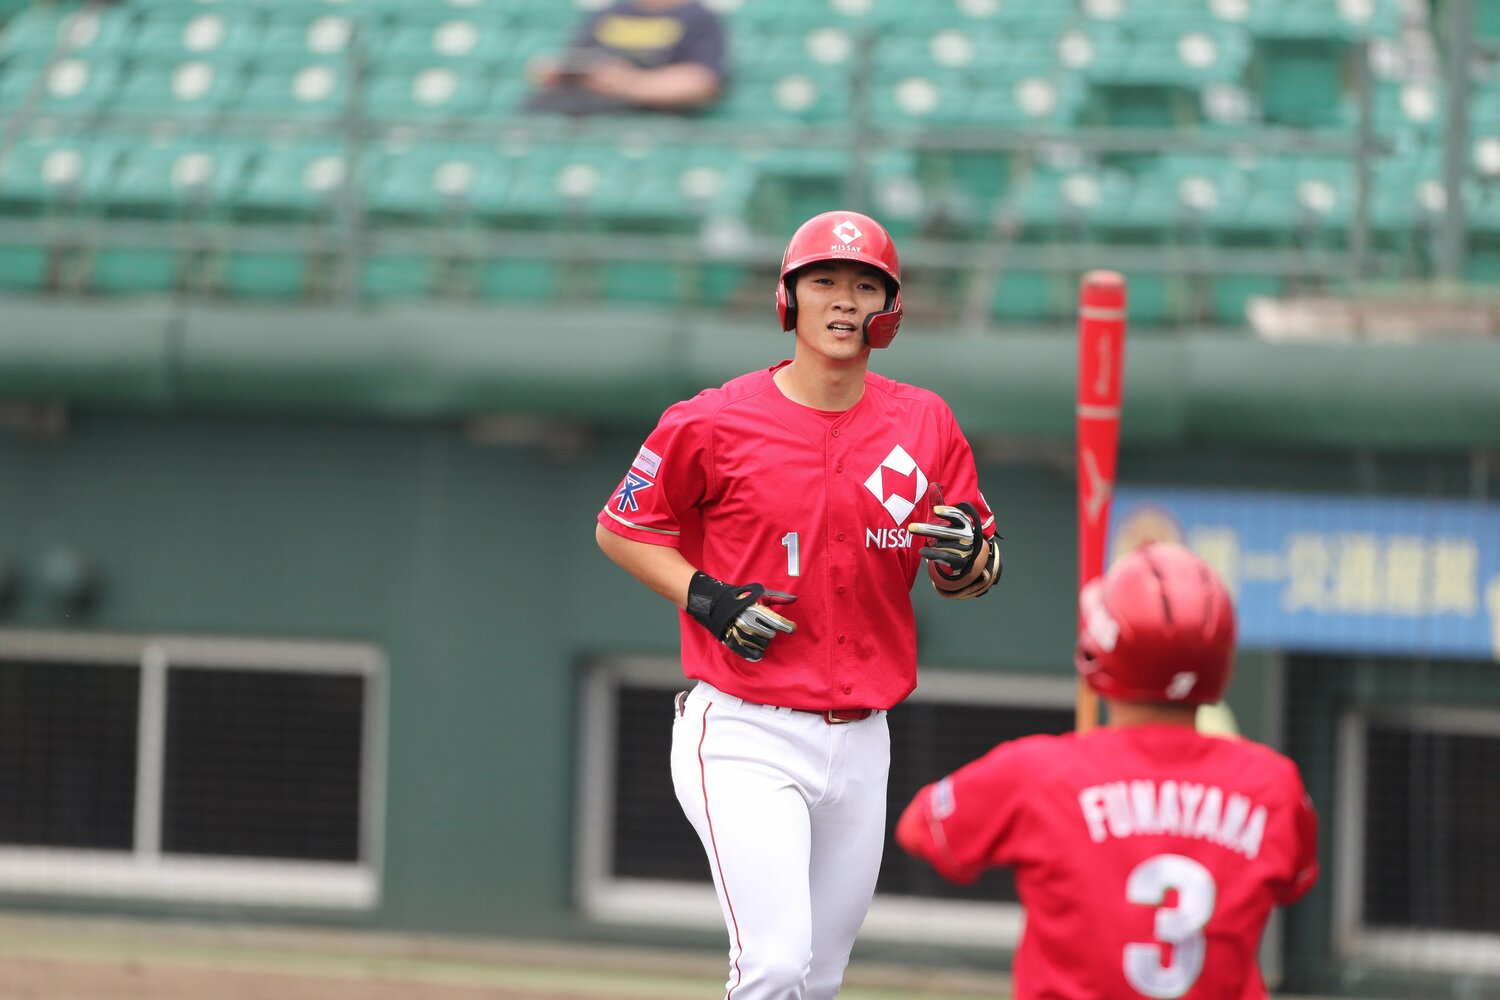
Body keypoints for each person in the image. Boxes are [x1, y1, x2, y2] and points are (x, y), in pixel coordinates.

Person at [594, 209, 1002, 1000]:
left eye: (864, 285)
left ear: (889, 310)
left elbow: (971, 567)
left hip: (863, 740)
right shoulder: (713, 419)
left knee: (819, 980)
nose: (844, 300)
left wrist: (970, 560)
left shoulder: (924, 422)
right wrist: (705, 597)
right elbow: (621, 528)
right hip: (746, 728)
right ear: (790, 299)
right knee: (775, 964)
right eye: (825, 282)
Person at [897, 542, 1319, 1000]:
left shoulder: (1037, 773)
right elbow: (1296, 880)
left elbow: (921, 828)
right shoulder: (1274, 785)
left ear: (1103, 646)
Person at [525, 0, 726, 116]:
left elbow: (701, 81)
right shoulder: (611, 12)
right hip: (580, 108)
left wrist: (629, 83)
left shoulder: (698, 17)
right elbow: (576, 58)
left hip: (643, 116)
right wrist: (560, 73)